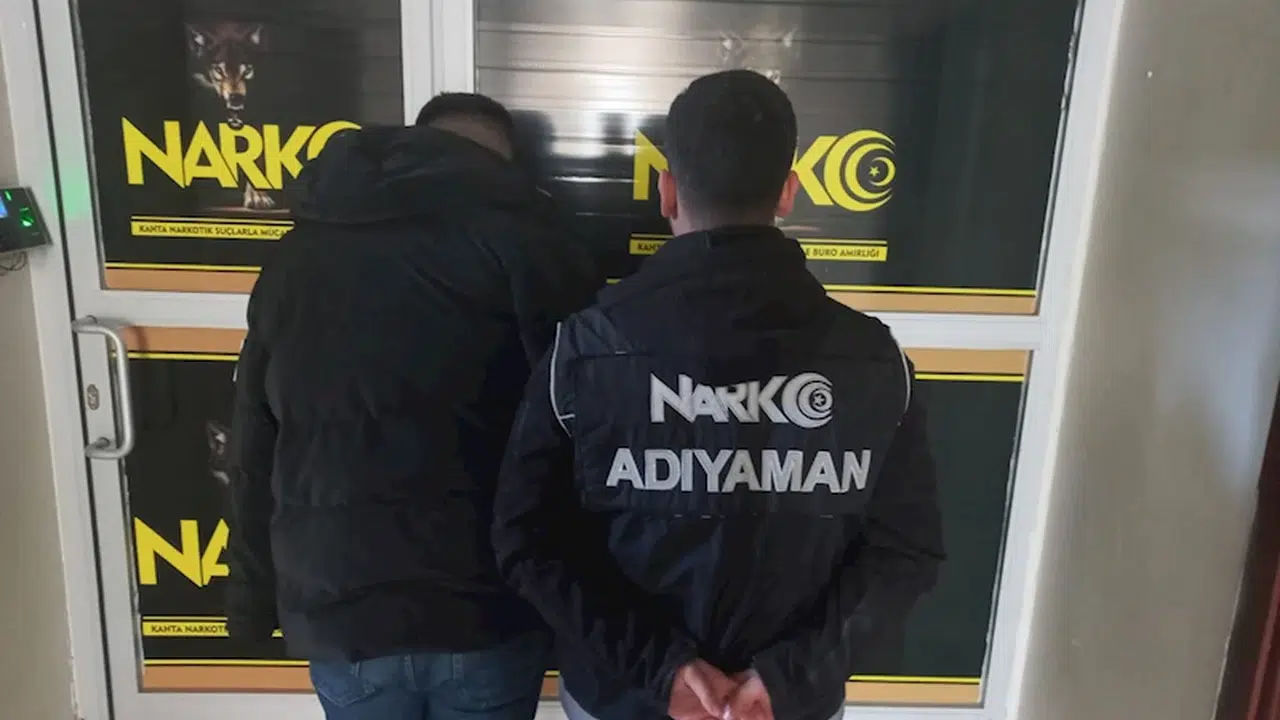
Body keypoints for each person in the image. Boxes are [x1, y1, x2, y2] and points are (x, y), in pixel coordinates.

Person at [491, 70, 945, 720]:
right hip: (780, 706)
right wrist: (785, 677)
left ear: (667, 191)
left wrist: (660, 668)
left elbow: (528, 543)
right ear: (788, 192)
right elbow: (905, 552)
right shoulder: (875, 360)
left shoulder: (581, 352)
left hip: (625, 698)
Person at [224, 93, 603, 720]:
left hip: (342, 610)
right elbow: (587, 434)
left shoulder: (296, 258)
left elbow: (254, 442)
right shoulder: (534, 247)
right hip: (485, 607)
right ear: (501, 167)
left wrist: (249, 601)